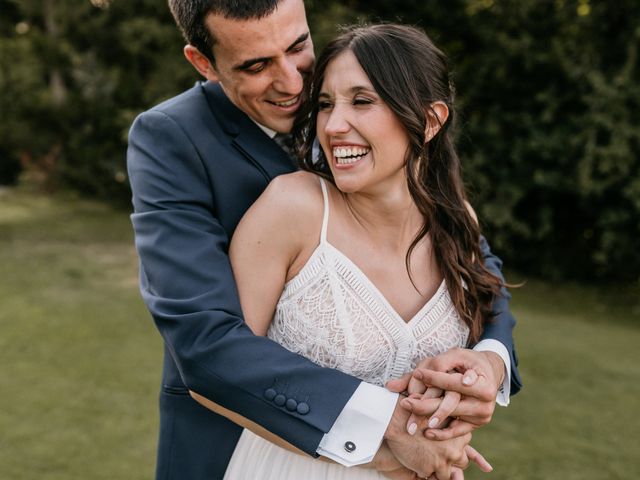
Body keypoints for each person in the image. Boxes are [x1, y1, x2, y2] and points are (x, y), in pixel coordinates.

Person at [126, 1, 521, 479]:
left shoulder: (353, 86)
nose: (294, 84)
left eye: (298, 47)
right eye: (255, 65)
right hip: (248, 448)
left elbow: (476, 262)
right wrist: (389, 437)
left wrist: (490, 363)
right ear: (203, 63)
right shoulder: (172, 138)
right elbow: (205, 340)